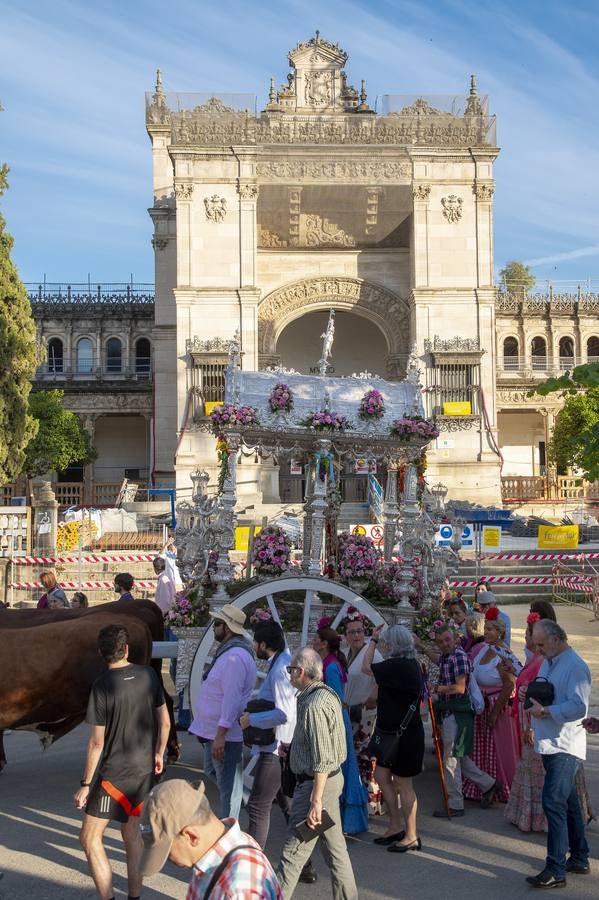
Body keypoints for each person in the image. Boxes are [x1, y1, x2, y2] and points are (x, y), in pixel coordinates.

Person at [73, 624, 170, 900]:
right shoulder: (150, 675)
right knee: (132, 837)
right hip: (144, 772)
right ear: (126, 649)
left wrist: (85, 784)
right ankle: (134, 897)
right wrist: (159, 753)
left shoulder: (102, 685)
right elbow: (164, 722)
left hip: (114, 775)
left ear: (101, 653)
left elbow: (96, 743)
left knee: (89, 839)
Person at [276, 647, 358, 900]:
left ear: (301, 672)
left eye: (291, 670)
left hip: (316, 785)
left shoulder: (313, 703)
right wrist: (296, 747)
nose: (289, 674)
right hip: (330, 781)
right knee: (336, 852)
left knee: (293, 854)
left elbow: (322, 759)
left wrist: (315, 801)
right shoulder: (325, 694)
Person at [526, 619, 591, 888]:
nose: (537, 650)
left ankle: (556, 869)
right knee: (569, 803)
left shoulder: (575, 666)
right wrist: (530, 701)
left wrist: (547, 712)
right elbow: (545, 691)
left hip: (566, 744)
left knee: (553, 801)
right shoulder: (549, 661)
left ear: (556, 638)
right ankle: (579, 857)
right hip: (550, 741)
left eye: (541, 644)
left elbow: (579, 708)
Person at [139, 778, 282, 899]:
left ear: (191, 836)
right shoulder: (219, 850)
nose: (169, 862)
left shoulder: (239, 889)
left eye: (168, 854)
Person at [188, 604, 256, 820]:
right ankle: (247, 801)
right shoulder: (229, 652)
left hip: (224, 734)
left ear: (227, 627)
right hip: (214, 731)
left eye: (217, 624)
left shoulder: (234, 657)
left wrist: (221, 735)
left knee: (229, 789)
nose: (213, 628)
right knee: (217, 774)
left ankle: (230, 831)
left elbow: (232, 699)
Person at [363, 624, 424, 853]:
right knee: (381, 774)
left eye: (387, 642)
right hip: (392, 732)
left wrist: (373, 640)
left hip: (404, 735)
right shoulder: (405, 664)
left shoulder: (400, 665)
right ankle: (396, 825)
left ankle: (411, 835)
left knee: (404, 784)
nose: (385, 645)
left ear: (393, 644)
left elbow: (366, 666)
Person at [239, 619, 296, 849]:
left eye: (255, 643)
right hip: (278, 746)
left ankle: (252, 866)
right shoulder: (281, 661)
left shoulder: (280, 669)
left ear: (263, 644)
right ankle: (303, 863)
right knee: (287, 807)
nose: (254, 647)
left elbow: (284, 714)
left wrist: (251, 719)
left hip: (275, 747)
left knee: (257, 806)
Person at [430, 623, 497, 818]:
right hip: (452, 712)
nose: (444, 644)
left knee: (451, 759)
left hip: (457, 713)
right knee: (460, 757)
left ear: (455, 639)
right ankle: (489, 784)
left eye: (447, 640)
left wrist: (436, 689)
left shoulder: (458, 656)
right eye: (440, 642)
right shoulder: (446, 656)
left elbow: (459, 688)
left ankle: (455, 804)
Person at [313, 626, 368, 835]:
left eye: (317, 639)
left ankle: (346, 824)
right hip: (335, 720)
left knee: (342, 770)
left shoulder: (330, 667)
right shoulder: (329, 664)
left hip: (336, 723)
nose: (314, 641)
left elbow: (335, 700)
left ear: (325, 644)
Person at [463, 607, 521, 804]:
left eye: (491, 630)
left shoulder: (502, 655)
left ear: (501, 633)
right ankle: (483, 784)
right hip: (481, 704)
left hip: (495, 706)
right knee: (482, 748)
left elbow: (509, 684)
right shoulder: (484, 650)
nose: (486, 632)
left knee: (497, 749)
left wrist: (495, 713)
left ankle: (498, 785)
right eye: (485, 629)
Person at [505, 612, 547, 832]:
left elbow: (539, 695)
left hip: (533, 722)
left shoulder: (541, 662)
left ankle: (536, 817)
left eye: (527, 633)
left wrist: (531, 725)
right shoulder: (533, 660)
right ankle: (527, 815)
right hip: (525, 721)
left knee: (535, 769)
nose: (525, 639)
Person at [343, 611, 383, 816]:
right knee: (357, 759)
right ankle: (360, 802)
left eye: (359, 631)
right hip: (353, 713)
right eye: (352, 632)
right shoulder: (348, 653)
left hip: (367, 714)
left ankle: (372, 805)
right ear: (346, 635)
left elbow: (383, 678)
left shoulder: (372, 653)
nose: (356, 636)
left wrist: (371, 699)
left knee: (368, 759)